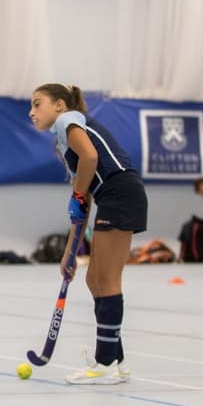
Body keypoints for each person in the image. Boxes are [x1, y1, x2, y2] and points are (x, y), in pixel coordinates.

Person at [28, 83, 148, 385]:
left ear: (59, 105)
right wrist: (69, 254)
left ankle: (104, 362)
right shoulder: (64, 142)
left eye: (37, 104)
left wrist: (79, 193)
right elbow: (81, 208)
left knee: (106, 280)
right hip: (114, 196)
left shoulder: (68, 120)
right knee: (95, 278)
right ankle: (117, 360)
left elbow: (91, 159)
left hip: (119, 192)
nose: (31, 112)